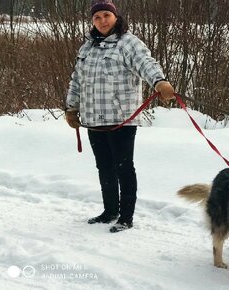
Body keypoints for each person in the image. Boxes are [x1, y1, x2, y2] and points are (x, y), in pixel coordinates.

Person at [64, 0, 174, 233]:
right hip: (93, 119)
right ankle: (110, 211)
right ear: (92, 21)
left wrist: (159, 81)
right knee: (104, 167)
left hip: (121, 119)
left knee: (124, 167)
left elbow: (146, 63)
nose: (102, 21)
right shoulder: (86, 48)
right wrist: (71, 107)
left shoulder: (128, 43)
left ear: (115, 17)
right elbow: (77, 81)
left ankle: (126, 217)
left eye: (106, 15)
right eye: (97, 17)